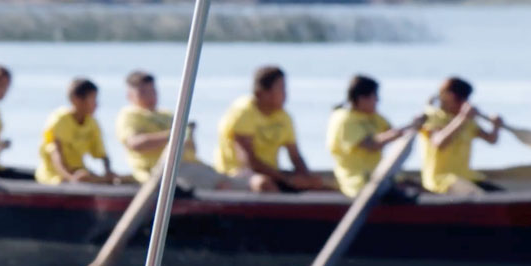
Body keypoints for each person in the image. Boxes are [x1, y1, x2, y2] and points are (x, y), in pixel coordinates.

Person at [214, 65, 330, 193]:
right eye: (281, 89)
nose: (285, 94)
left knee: (321, 186)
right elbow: (249, 161)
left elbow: (295, 156)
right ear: (261, 93)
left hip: (272, 173)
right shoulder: (243, 112)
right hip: (237, 174)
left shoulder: (283, 116)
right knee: (264, 184)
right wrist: (287, 179)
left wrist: (306, 178)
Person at [325, 74, 424, 196]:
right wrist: (396, 133)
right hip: (358, 183)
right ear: (361, 98)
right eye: (375, 96)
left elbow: (393, 132)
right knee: (404, 196)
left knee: (417, 188)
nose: (378, 100)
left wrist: (414, 125)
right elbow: (371, 144)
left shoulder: (373, 116)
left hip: (380, 178)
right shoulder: (343, 118)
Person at [419, 76, 504, 194]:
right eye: (461, 99)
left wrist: (496, 127)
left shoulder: (468, 121)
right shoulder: (433, 117)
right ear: (448, 97)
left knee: (502, 196)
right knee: (479, 197)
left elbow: (491, 140)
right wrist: (463, 118)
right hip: (441, 181)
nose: (464, 103)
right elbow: (439, 142)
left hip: (467, 177)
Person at [114, 69, 199, 182]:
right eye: (143, 92)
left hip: (186, 166)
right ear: (130, 96)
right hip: (154, 172)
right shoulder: (129, 115)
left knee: (223, 180)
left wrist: (189, 133)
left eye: (152, 91)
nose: (150, 96)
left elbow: (191, 148)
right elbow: (135, 144)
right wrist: (174, 135)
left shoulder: (167, 114)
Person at [37, 77, 120, 184]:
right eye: (92, 99)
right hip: (55, 175)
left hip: (80, 172)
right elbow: (55, 154)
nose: (96, 104)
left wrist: (108, 172)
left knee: (115, 180)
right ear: (76, 99)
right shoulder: (59, 120)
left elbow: (102, 154)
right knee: (81, 179)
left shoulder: (91, 122)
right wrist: (70, 178)